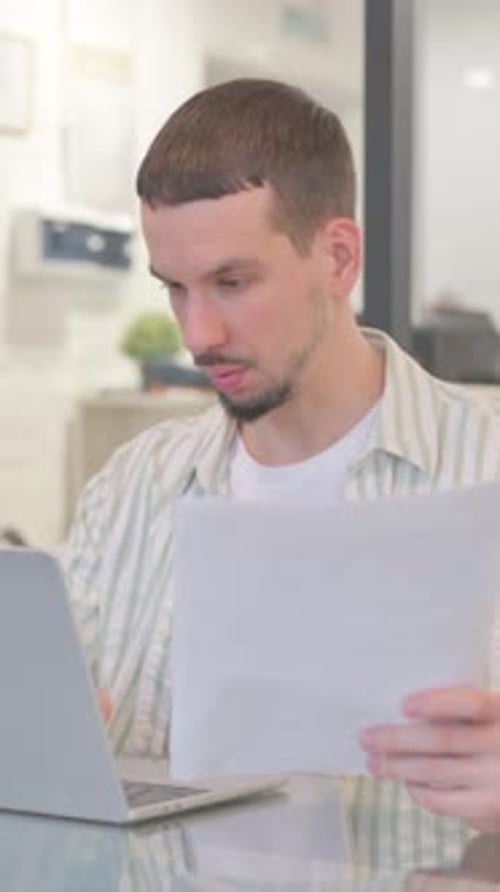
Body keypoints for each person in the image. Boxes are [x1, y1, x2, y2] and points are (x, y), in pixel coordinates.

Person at [62, 78, 500, 839]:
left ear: (336, 257)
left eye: (232, 284)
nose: (197, 334)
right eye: (175, 289)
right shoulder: (132, 487)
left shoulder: (483, 468)